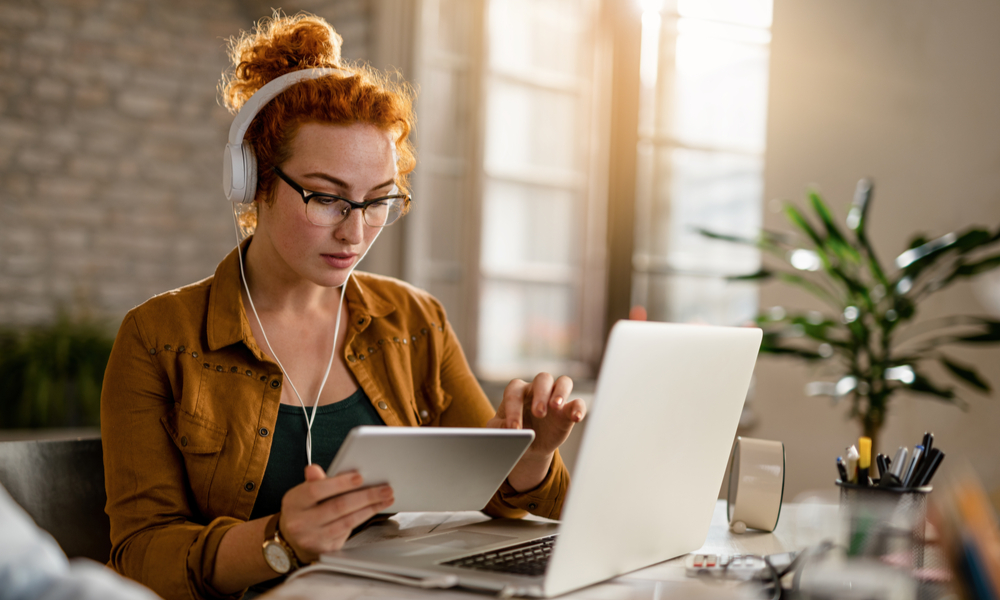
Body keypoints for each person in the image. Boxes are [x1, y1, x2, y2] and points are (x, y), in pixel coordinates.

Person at [100, 12, 587, 600]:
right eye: (327, 198)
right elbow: (139, 556)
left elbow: (505, 504)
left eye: (378, 200)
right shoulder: (159, 338)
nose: (356, 233)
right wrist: (278, 542)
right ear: (254, 181)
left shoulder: (415, 321)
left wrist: (531, 452)